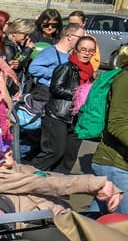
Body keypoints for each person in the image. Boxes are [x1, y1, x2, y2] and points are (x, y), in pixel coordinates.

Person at [32, 34, 98, 173]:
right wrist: (79, 94)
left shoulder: (90, 71)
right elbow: (55, 88)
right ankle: (28, 178)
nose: (87, 53)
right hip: (58, 115)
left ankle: (59, 187)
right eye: (84, 49)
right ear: (76, 50)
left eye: (90, 51)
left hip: (77, 118)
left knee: (69, 156)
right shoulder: (66, 67)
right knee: (54, 152)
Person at [92, 47, 128, 215]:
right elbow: (117, 123)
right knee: (121, 228)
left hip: (120, 165)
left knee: (96, 222)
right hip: (116, 164)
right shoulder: (125, 79)